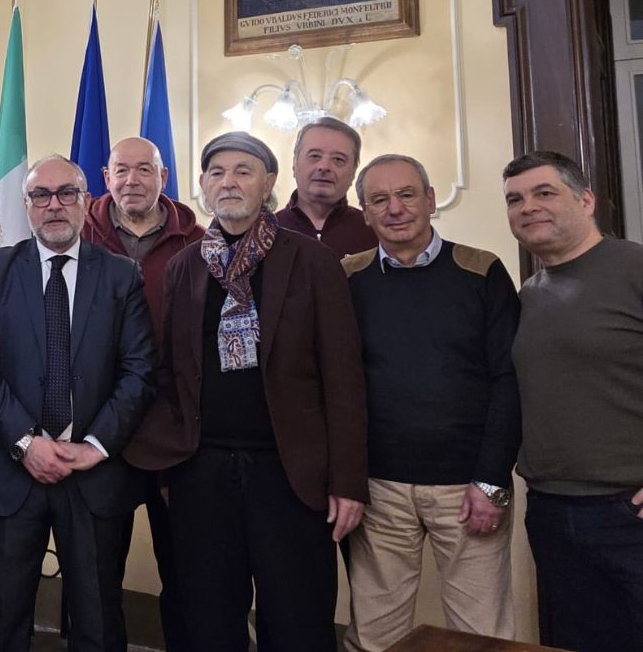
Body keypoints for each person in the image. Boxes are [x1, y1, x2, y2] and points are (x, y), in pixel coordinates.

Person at [131, 131, 367, 652]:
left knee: (298, 623)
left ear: (269, 184)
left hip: (291, 475)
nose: (229, 182)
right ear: (202, 185)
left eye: (243, 171)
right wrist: (170, 467)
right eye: (217, 172)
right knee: (209, 623)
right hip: (202, 473)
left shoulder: (312, 262)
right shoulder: (185, 266)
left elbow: (344, 378)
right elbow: (169, 372)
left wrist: (348, 482)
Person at [0, 155, 155, 652]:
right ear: (26, 204)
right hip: (11, 471)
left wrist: (95, 445)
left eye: (66, 193)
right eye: (40, 195)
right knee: (2, 615)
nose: (54, 205)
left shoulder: (122, 275)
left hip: (94, 475)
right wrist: (27, 443)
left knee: (98, 618)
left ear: (86, 201)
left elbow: (139, 371)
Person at [342, 154, 520, 651]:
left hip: (467, 488)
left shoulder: (481, 271)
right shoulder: (348, 277)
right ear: (365, 213)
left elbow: (509, 379)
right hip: (379, 489)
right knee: (375, 635)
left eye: (406, 195)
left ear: (430, 199)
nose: (395, 208)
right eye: (379, 199)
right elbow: (336, 381)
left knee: (481, 635)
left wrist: (491, 481)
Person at [503, 150, 643, 652]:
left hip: (629, 512)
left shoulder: (634, 267)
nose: (528, 207)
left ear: (586, 200)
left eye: (545, 193)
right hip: (551, 510)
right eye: (515, 199)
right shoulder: (529, 294)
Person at [84, 136, 202, 652]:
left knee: (185, 569)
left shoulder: (199, 243)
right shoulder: (75, 237)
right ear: (105, 178)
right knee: (95, 572)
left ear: (164, 177)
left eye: (144, 169)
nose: (132, 180)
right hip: (97, 428)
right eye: (121, 170)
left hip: (174, 431)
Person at [275, 116, 377, 256]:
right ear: (295, 164)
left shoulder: (373, 232)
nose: (324, 167)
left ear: (354, 171)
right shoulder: (268, 231)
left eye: (338, 159)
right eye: (315, 156)